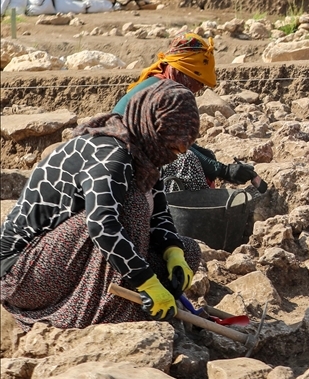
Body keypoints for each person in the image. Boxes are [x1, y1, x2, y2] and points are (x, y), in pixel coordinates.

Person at [1, 80, 202, 328]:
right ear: (152, 126)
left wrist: (174, 253)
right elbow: (102, 225)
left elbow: (159, 214)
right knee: (134, 207)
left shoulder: (145, 157)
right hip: (24, 277)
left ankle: (137, 305)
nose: (179, 151)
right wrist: (146, 282)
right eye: (173, 143)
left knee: (189, 249)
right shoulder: (111, 153)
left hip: (69, 262)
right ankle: (113, 317)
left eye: (185, 145)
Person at [114, 33, 258, 192]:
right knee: (186, 162)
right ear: (178, 72)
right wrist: (223, 171)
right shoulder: (164, 93)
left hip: (135, 152)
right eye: (197, 81)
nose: (199, 88)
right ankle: (186, 210)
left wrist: (217, 167)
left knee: (205, 156)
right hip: (123, 158)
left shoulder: (162, 83)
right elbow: (175, 148)